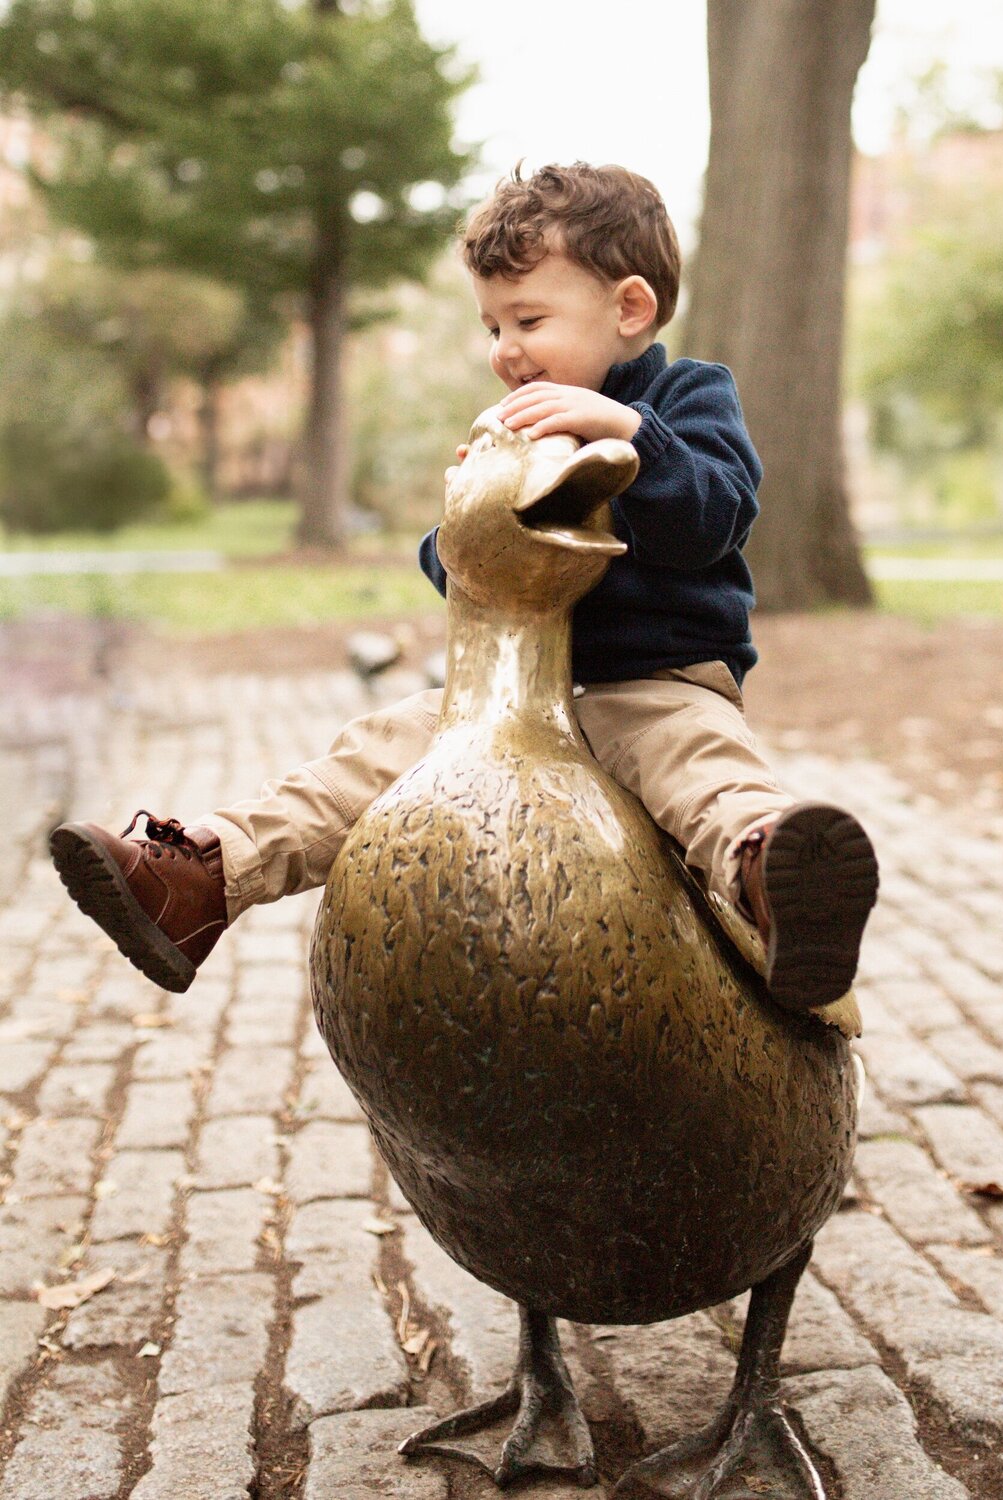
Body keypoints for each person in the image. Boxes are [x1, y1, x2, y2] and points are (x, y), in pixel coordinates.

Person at [48, 162, 878, 1010]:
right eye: (491, 325)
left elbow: (715, 518)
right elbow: (458, 577)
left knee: (703, 769)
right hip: (503, 695)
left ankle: (775, 881)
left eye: (528, 319)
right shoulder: (511, 427)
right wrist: (475, 515)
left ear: (629, 308)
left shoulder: (686, 398)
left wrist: (631, 436)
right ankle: (200, 882)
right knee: (366, 758)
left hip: (653, 686)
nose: (504, 349)